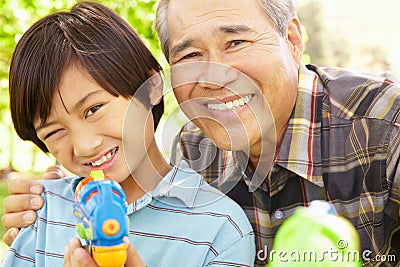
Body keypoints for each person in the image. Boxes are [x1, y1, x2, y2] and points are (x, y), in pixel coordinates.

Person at [4, 0, 400, 266]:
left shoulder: (387, 128)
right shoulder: (193, 150)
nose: (214, 76)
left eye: (236, 41)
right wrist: (53, 197)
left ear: (293, 40)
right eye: (190, 55)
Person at [1, 2, 255, 266]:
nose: (85, 146)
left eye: (94, 109)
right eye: (54, 132)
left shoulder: (220, 229)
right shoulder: (40, 214)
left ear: (152, 86)